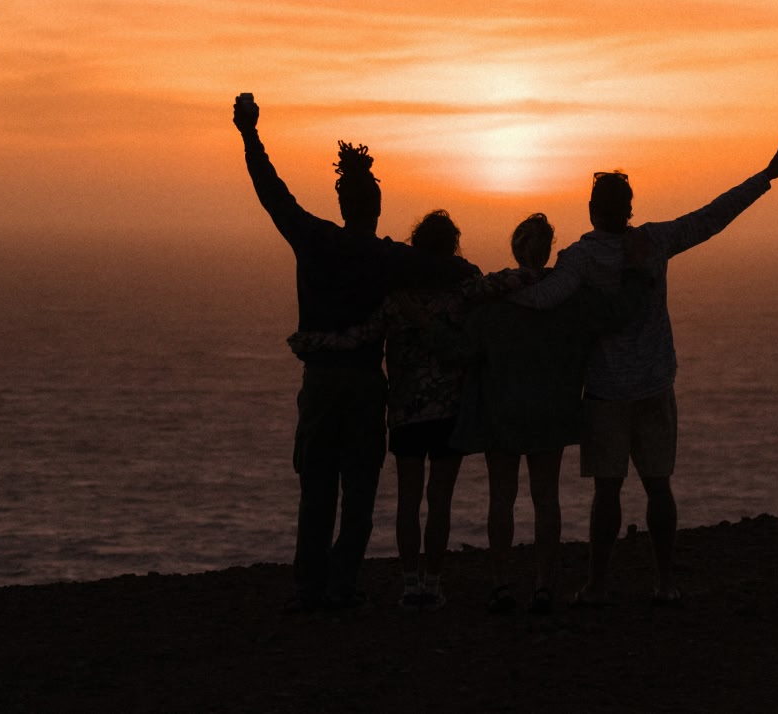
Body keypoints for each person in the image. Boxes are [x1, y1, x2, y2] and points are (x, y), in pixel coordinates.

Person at [506, 137, 778, 606]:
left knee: (607, 491)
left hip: (606, 391)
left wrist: (494, 289)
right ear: (629, 209)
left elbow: (544, 299)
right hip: (654, 383)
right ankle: (665, 583)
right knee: (658, 486)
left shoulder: (579, 258)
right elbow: (711, 217)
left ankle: (597, 586)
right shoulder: (653, 241)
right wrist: (765, 176)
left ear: (591, 210)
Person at [235, 93, 478, 613]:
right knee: (359, 490)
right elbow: (452, 270)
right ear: (377, 208)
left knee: (316, 488)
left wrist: (250, 134)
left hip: (321, 383)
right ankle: (343, 584)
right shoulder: (387, 257)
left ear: (343, 205)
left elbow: (272, 193)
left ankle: (309, 587)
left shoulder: (313, 239)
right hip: (366, 384)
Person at [287, 210, 534, 612]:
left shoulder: (396, 301)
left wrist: (313, 343)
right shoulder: (463, 292)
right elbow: (507, 281)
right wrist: (547, 272)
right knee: (440, 501)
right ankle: (433, 584)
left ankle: (409, 584)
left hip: (405, 414)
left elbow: (359, 337)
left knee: (408, 500)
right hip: (448, 413)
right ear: (452, 247)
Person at [453, 214, 654, 614]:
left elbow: (460, 348)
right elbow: (617, 312)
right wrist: (637, 272)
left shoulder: (492, 301)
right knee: (546, 498)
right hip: (551, 412)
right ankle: (544, 585)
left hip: (501, 411)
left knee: (501, 497)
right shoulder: (568, 299)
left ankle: (500, 584)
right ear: (548, 251)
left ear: (516, 248)